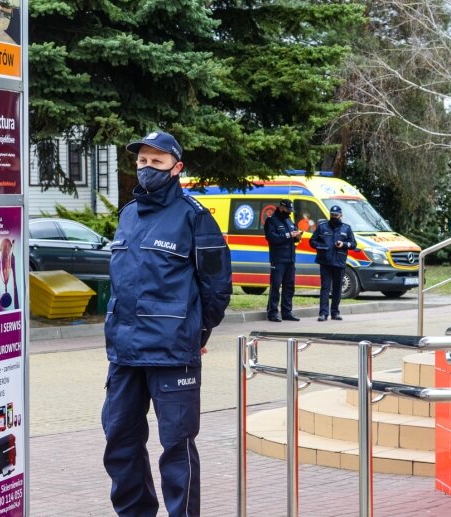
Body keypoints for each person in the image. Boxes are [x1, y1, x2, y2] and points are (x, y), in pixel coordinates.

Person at [102, 131, 232, 516]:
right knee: (120, 441)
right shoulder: (127, 214)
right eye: (142, 161)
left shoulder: (195, 218)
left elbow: (217, 287)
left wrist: (198, 332)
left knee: (176, 447)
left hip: (173, 354)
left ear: (177, 168)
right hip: (125, 354)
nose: (147, 168)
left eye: (156, 162)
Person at [309, 205, 356, 321]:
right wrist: (322, 246)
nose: (334, 217)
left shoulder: (346, 228)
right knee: (325, 287)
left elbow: (354, 244)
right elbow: (312, 241)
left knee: (337, 288)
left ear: (341, 215)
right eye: (332, 215)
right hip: (325, 261)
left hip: (339, 262)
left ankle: (335, 312)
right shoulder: (322, 227)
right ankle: (323, 313)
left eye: (336, 215)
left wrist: (343, 244)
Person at [264, 199, 302, 322]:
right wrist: (289, 235)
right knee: (275, 286)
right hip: (278, 259)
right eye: (287, 210)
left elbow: (294, 239)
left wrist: (297, 236)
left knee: (289, 286)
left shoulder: (288, 220)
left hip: (290, 259)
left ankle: (287, 312)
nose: (289, 212)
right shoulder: (271, 221)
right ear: (281, 207)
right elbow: (272, 238)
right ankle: (273, 312)